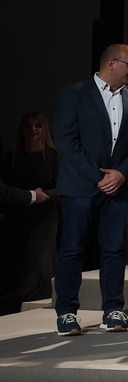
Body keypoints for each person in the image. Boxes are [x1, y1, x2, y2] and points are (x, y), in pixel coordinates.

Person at [51, 43, 128, 336]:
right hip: (81, 187)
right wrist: (99, 176)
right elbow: (65, 140)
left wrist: (121, 174)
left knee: (115, 251)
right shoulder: (74, 94)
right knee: (72, 250)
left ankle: (113, 310)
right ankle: (67, 312)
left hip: (119, 190)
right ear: (111, 63)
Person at [1, 112, 58, 314]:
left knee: (38, 260)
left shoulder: (53, 157)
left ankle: (35, 307)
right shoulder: (10, 158)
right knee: (16, 260)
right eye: (28, 125)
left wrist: (45, 195)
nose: (33, 129)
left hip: (44, 216)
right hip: (15, 217)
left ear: (44, 129)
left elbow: (64, 187)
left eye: (37, 125)